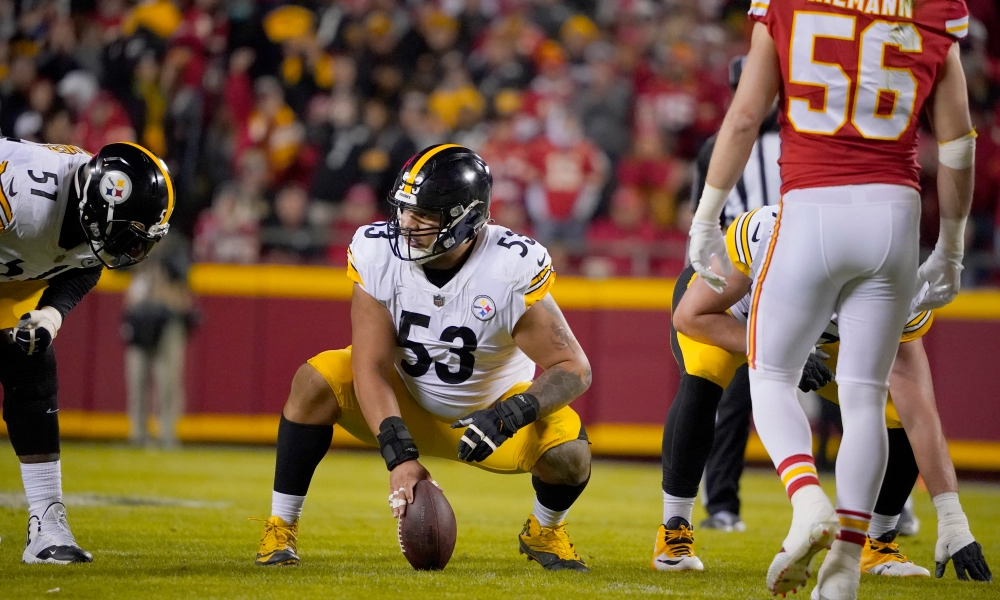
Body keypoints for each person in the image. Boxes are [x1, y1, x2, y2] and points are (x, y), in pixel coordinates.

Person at [686, 1, 977, 597]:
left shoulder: (791, 4)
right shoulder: (934, 10)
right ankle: (846, 559)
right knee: (865, 399)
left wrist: (707, 214)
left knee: (771, 376)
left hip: (811, 205)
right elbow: (958, 145)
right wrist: (950, 246)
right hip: (895, 214)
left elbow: (745, 117)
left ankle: (806, 500)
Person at [254, 144, 593, 571]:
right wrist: (400, 455)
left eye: (423, 216)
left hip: (488, 421)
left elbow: (574, 369)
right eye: (403, 211)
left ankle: (544, 531)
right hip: (404, 402)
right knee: (314, 381)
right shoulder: (378, 254)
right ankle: (281, 526)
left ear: (465, 219)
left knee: (571, 456)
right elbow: (370, 364)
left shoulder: (508, 267)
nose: (405, 225)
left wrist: (509, 414)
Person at [658, 207, 991, 582]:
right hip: (729, 317)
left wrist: (953, 519)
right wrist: (785, 355)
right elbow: (691, 316)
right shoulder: (770, 234)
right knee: (704, 375)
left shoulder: (905, 285)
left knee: (896, 412)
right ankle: (674, 529)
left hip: (817, 338)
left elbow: (919, 412)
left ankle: (877, 542)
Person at [0, 138, 173, 563]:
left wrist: (50, 317)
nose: (133, 251)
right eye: (128, 237)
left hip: (10, 276)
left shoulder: (90, 207)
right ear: (101, 209)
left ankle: (46, 524)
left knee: (31, 360)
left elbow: (86, 262)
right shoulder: (22, 196)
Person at [688, 55, 782, 534]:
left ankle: (883, 507)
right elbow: (701, 225)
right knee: (730, 399)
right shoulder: (715, 147)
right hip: (740, 281)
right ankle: (721, 502)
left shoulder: (801, 142)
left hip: (796, 275)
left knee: (850, 391)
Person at [122, 237, 195, 448]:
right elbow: (120, 269)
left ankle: (167, 432)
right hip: (140, 316)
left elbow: (182, 281)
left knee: (168, 381)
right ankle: (138, 432)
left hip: (168, 317)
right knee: (137, 377)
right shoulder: (134, 240)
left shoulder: (176, 247)